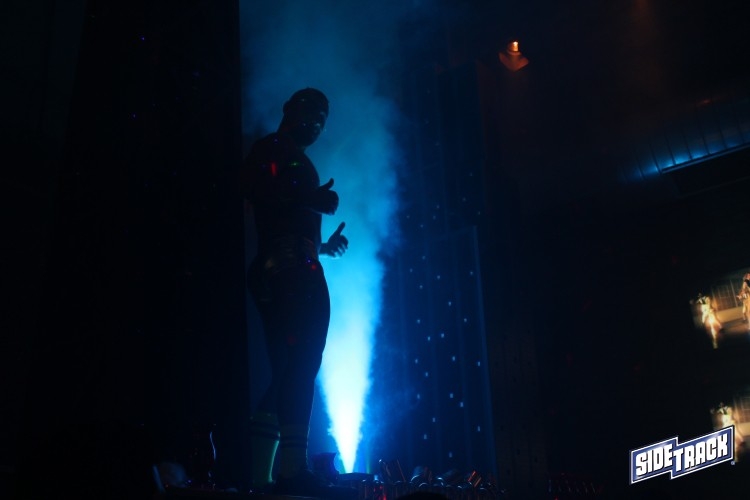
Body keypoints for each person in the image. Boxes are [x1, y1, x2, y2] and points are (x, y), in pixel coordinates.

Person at [241, 88, 353, 499]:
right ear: (290, 108)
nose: (318, 122)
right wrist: (311, 198)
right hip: (291, 272)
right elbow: (260, 189)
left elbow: (278, 211)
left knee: (289, 368)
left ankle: (263, 475)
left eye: (323, 117)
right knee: (301, 362)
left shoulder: (281, 153)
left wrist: (322, 247)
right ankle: (291, 469)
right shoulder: (272, 149)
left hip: (288, 267)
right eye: (312, 111)